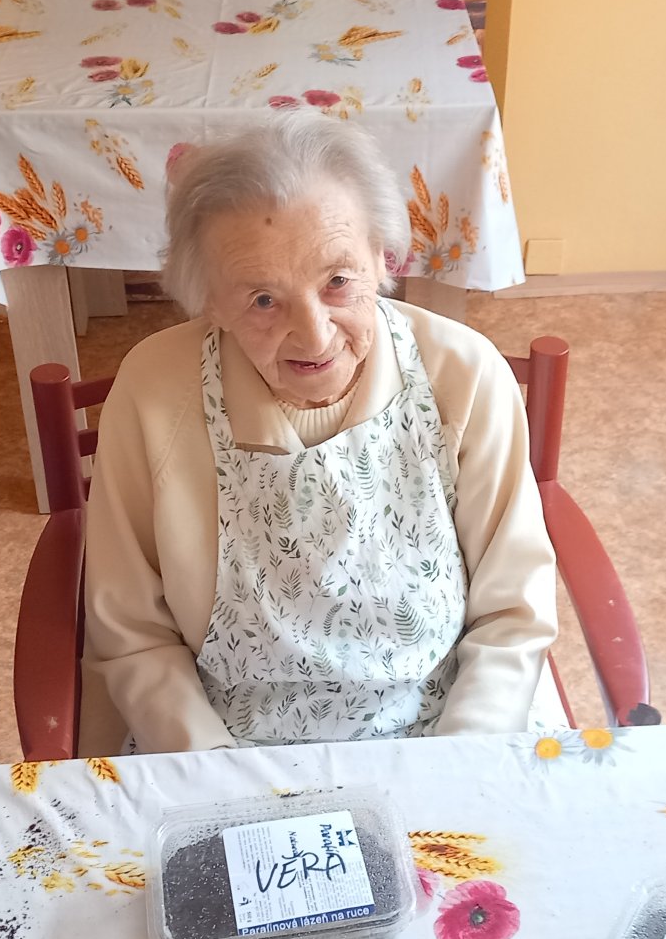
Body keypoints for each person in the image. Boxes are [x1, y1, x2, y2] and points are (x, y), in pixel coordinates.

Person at [81, 113, 556, 753]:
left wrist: (457, 765)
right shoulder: (154, 390)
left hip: (448, 734)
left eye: (337, 281)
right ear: (209, 302)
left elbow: (511, 614)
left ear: (382, 258)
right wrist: (217, 772)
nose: (314, 335)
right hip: (227, 747)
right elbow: (133, 631)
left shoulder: (465, 374)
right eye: (262, 299)